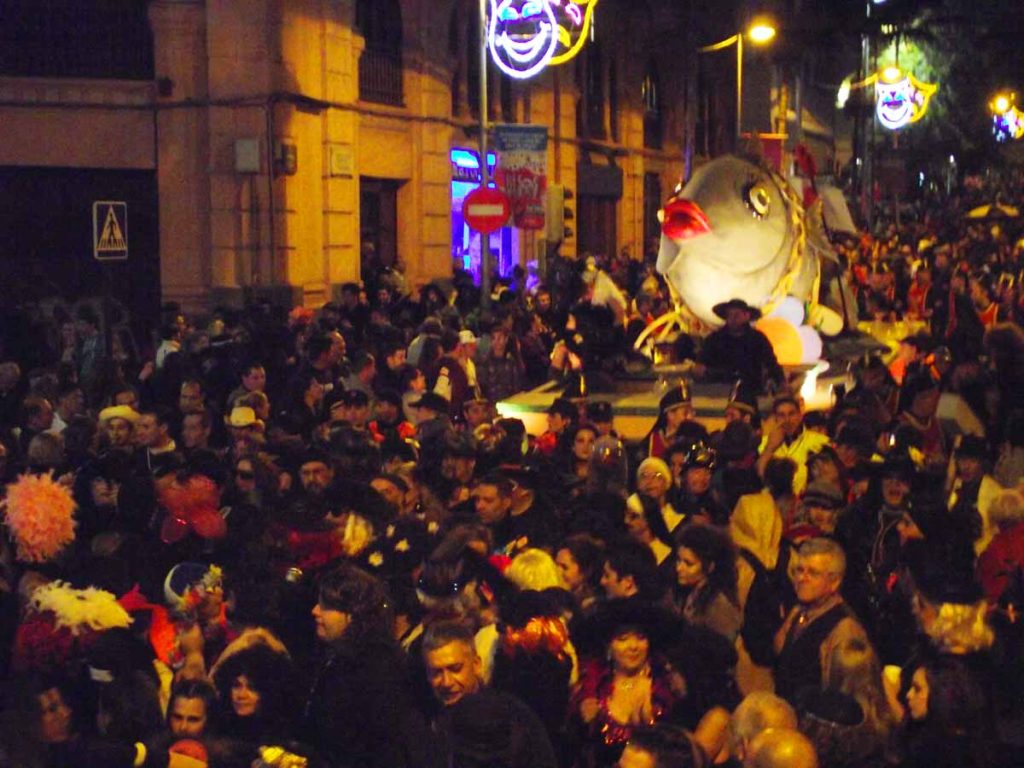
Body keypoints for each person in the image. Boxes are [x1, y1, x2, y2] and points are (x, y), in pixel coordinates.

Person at [304, 562, 430, 768]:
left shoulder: (374, 669)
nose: (315, 611)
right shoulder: (341, 658)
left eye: (326, 605)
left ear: (353, 613)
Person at [423, 620, 557, 768]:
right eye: (436, 673)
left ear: (476, 664)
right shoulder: (426, 720)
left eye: (455, 669)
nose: (446, 682)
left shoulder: (513, 716)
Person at [571, 598, 680, 768]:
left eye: (641, 638)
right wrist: (585, 721)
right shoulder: (591, 689)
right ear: (609, 646)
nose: (633, 646)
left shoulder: (667, 686)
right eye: (623, 639)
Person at [773, 538, 869, 703]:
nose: (802, 578)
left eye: (813, 573)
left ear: (834, 582)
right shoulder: (800, 611)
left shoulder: (845, 628)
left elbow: (844, 691)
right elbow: (779, 652)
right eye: (799, 570)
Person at [695, 299, 783, 394]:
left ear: (747, 316)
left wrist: (781, 382)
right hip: (719, 389)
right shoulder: (714, 339)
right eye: (729, 315)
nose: (733, 319)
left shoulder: (758, 339)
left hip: (751, 389)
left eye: (736, 315)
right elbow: (701, 362)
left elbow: (771, 363)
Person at [675, 524, 743, 642]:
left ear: (710, 567)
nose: (679, 568)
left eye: (688, 564)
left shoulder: (719, 606)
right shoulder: (687, 592)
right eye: (679, 560)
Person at [757, 395, 830, 495]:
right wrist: (770, 447)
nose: (787, 420)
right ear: (775, 419)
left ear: (800, 416)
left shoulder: (820, 442)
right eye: (781, 415)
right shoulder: (764, 444)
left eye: (791, 414)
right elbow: (760, 476)